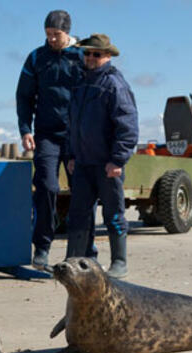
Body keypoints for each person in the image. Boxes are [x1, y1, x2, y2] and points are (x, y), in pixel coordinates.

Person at [16, 9, 96, 270]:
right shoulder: (37, 58)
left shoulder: (84, 56)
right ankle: (41, 247)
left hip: (78, 137)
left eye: (56, 35)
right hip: (47, 135)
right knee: (47, 187)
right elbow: (24, 96)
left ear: (67, 33)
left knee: (83, 194)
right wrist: (25, 129)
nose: (51, 39)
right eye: (48, 34)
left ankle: (86, 251)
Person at [66, 34, 139, 278]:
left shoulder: (115, 85)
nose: (90, 58)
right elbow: (72, 124)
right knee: (78, 214)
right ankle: (75, 261)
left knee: (113, 213)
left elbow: (127, 126)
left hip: (107, 165)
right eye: (87, 53)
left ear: (107, 56)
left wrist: (118, 160)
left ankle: (119, 261)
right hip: (83, 163)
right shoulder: (79, 84)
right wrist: (71, 155)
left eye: (96, 54)